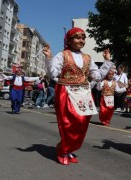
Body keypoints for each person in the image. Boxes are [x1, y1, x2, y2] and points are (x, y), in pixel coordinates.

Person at [43, 27, 114, 165]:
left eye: (83, 37)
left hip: (84, 94)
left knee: (82, 124)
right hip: (67, 93)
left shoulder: (87, 57)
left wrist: (107, 62)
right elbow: (52, 74)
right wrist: (48, 58)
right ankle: (63, 150)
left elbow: (97, 76)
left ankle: (70, 149)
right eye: (77, 37)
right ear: (69, 41)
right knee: (68, 124)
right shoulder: (62, 55)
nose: (81, 40)